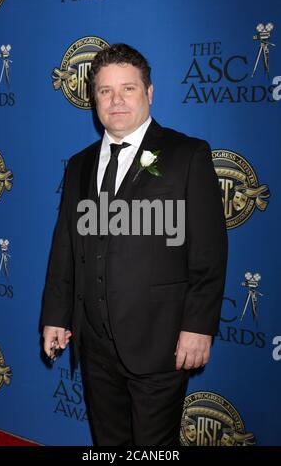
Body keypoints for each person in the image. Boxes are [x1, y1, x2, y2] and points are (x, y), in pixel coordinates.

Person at [41, 43, 228, 446]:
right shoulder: (78, 164)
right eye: (105, 91)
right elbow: (65, 248)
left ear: (150, 92)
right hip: (93, 343)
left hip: (159, 341)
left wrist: (198, 326)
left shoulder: (187, 155)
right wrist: (56, 315)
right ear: (94, 99)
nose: (116, 100)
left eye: (128, 88)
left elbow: (209, 253)